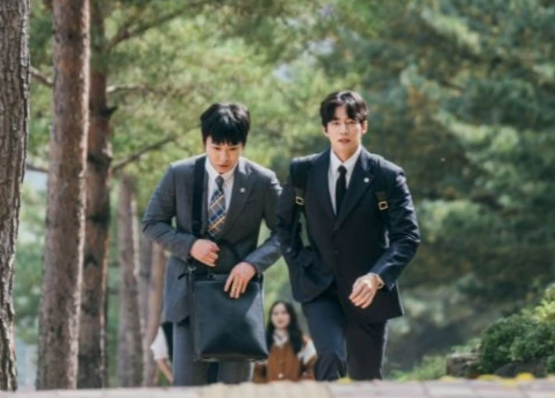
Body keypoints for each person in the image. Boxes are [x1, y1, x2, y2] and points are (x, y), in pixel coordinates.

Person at [276, 90, 420, 381]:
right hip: (319, 287)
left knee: (366, 376)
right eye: (336, 123)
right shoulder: (303, 171)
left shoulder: (386, 175)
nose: (343, 130)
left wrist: (376, 277)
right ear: (325, 129)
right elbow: (283, 224)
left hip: (368, 292)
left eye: (351, 122)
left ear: (363, 126)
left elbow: (407, 236)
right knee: (330, 357)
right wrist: (301, 262)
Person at [142, 102, 282, 386]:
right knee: (187, 389)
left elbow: (286, 232)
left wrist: (252, 265)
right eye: (216, 147)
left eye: (233, 148)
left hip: (238, 299)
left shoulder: (262, 181)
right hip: (188, 297)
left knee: (235, 390)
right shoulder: (179, 173)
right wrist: (190, 245)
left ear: (244, 145)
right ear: (204, 141)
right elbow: (152, 223)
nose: (223, 157)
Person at [253, 300, 316, 383]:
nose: (279, 317)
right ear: (271, 317)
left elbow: (312, 368)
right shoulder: (263, 344)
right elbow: (256, 373)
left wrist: (300, 386)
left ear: (291, 315)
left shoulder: (304, 342)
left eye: (284, 313)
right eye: (275, 313)